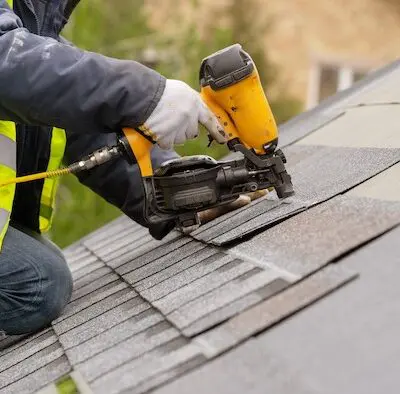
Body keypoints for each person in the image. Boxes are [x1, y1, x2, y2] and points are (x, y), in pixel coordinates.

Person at [0, 0, 258, 336]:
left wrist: (174, 189)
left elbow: (81, 129)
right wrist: (145, 96)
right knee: (35, 283)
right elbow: (12, 64)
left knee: (38, 269)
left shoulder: (30, 17)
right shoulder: (21, 39)